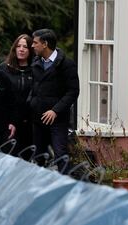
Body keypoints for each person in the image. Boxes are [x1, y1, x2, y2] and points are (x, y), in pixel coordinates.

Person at [28, 29, 79, 173]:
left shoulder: (66, 64)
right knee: (38, 157)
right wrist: (31, 103)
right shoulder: (35, 63)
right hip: (38, 119)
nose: (32, 46)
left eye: (35, 43)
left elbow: (73, 91)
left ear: (45, 44)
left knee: (61, 155)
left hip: (58, 121)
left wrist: (55, 110)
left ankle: (66, 189)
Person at [0, 34, 34, 161]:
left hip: (31, 123)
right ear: (14, 48)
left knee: (29, 160)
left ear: (31, 50)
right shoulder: (4, 68)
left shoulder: (36, 69)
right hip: (10, 124)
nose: (21, 49)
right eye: (18, 46)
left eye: (25, 46)